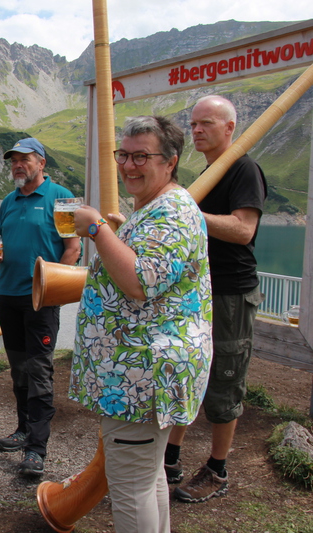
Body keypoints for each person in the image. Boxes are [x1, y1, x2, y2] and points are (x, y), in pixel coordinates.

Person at [70, 116, 212, 532]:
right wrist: (118, 235)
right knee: (147, 477)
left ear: (170, 161)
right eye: (124, 155)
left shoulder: (171, 212)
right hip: (143, 371)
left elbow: (139, 282)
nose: (129, 166)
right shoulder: (159, 206)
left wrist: (97, 229)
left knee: (131, 485)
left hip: (142, 375)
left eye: (141, 157)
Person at [167, 95, 267, 503]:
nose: (196, 130)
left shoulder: (243, 168)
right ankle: (170, 458)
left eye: (206, 123)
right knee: (186, 371)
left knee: (224, 380)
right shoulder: (211, 172)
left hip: (230, 295)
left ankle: (217, 471)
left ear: (230, 128)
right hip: (200, 293)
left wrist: (190, 213)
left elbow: (243, 230)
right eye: (193, 123)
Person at [0, 137, 81, 477]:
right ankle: (23, 429)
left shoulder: (61, 197)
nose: (17, 165)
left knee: (39, 371)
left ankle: (36, 449)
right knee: (19, 369)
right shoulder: (9, 201)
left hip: (42, 298)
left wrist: (54, 286)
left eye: (24, 159)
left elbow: (73, 248)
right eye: (13, 160)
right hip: (8, 294)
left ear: (41, 163)